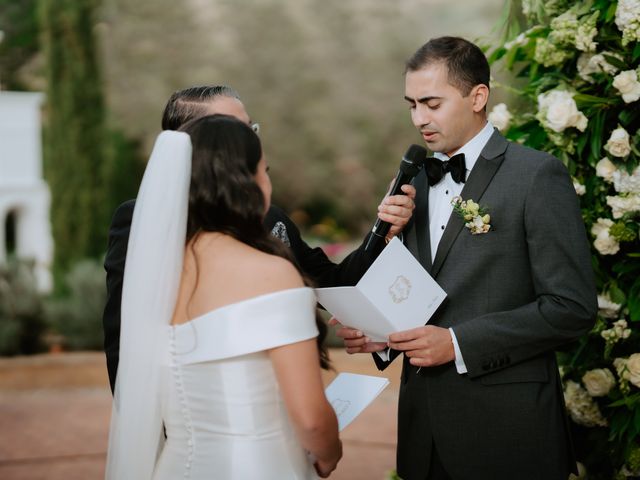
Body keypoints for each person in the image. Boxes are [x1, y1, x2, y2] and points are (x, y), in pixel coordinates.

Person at [331, 36, 597, 480]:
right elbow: (425, 291)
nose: (419, 119)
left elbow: (571, 308)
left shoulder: (536, 176)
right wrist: (383, 334)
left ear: (478, 97)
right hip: (422, 434)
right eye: (411, 104)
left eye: (432, 103)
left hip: (507, 432)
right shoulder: (413, 177)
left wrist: (456, 344)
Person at [103, 85, 416, 392]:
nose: (250, 139)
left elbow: (334, 283)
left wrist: (383, 230)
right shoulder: (144, 218)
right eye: (233, 127)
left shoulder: (271, 217)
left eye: (250, 127)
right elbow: (123, 331)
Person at [105, 114, 342, 479]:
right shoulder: (272, 273)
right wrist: (329, 453)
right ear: (243, 182)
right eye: (264, 170)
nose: (268, 182)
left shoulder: (155, 274)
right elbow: (311, 420)